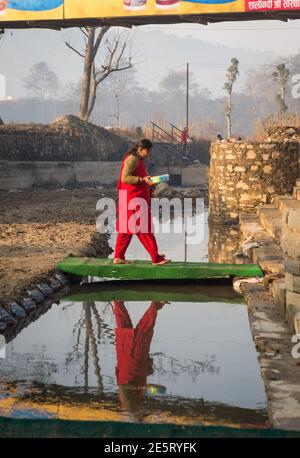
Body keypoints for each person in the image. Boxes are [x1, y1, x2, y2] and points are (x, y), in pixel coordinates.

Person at [114, 138, 170, 265]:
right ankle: (155, 258)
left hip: (131, 199)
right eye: (148, 151)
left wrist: (149, 189)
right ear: (140, 149)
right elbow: (125, 178)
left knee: (125, 229)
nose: (149, 154)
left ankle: (118, 257)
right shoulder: (132, 159)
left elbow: (142, 179)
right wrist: (142, 180)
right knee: (144, 228)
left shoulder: (139, 160)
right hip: (133, 200)